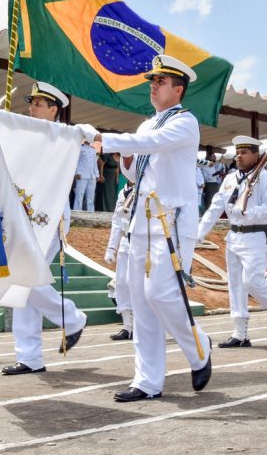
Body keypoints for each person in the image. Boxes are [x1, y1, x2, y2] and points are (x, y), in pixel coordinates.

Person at [79, 55, 214, 402]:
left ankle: (199, 346)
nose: (152, 86)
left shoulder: (185, 122)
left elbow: (152, 145)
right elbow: (136, 175)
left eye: (160, 82)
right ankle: (147, 381)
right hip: (141, 220)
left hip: (171, 220)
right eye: (152, 81)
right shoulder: (145, 125)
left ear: (178, 89)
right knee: (140, 302)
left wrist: (106, 140)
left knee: (160, 294)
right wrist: (122, 158)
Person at [1, 82, 88, 376]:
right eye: (32, 103)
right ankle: (30, 356)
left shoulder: (62, 137)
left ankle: (71, 317)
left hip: (48, 216)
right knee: (22, 284)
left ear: (54, 110)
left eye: (39, 104)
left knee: (24, 277)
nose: (32, 108)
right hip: (23, 213)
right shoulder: (24, 136)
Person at [197, 135, 267, 348]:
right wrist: (199, 234)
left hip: (256, 235)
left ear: (256, 155)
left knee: (252, 282)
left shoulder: (266, 179)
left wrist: (247, 212)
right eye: (237, 152)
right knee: (236, 285)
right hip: (234, 236)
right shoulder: (230, 179)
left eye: (244, 152)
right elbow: (215, 207)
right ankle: (240, 333)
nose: (238, 156)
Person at [105, 180, 136, 341]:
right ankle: (127, 326)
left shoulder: (146, 187)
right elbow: (117, 221)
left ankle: (139, 325)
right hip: (125, 240)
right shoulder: (123, 192)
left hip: (140, 240)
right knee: (122, 284)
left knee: (135, 283)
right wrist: (112, 248)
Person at [72, 140, 99, 211]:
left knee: (91, 196)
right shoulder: (80, 148)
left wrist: (97, 174)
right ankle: (77, 211)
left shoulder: (93, 150)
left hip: (92, 175)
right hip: (82, 174)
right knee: (79, 195)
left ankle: (91, 212)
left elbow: (94, 163)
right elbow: (75, 161)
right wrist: (77, 172)